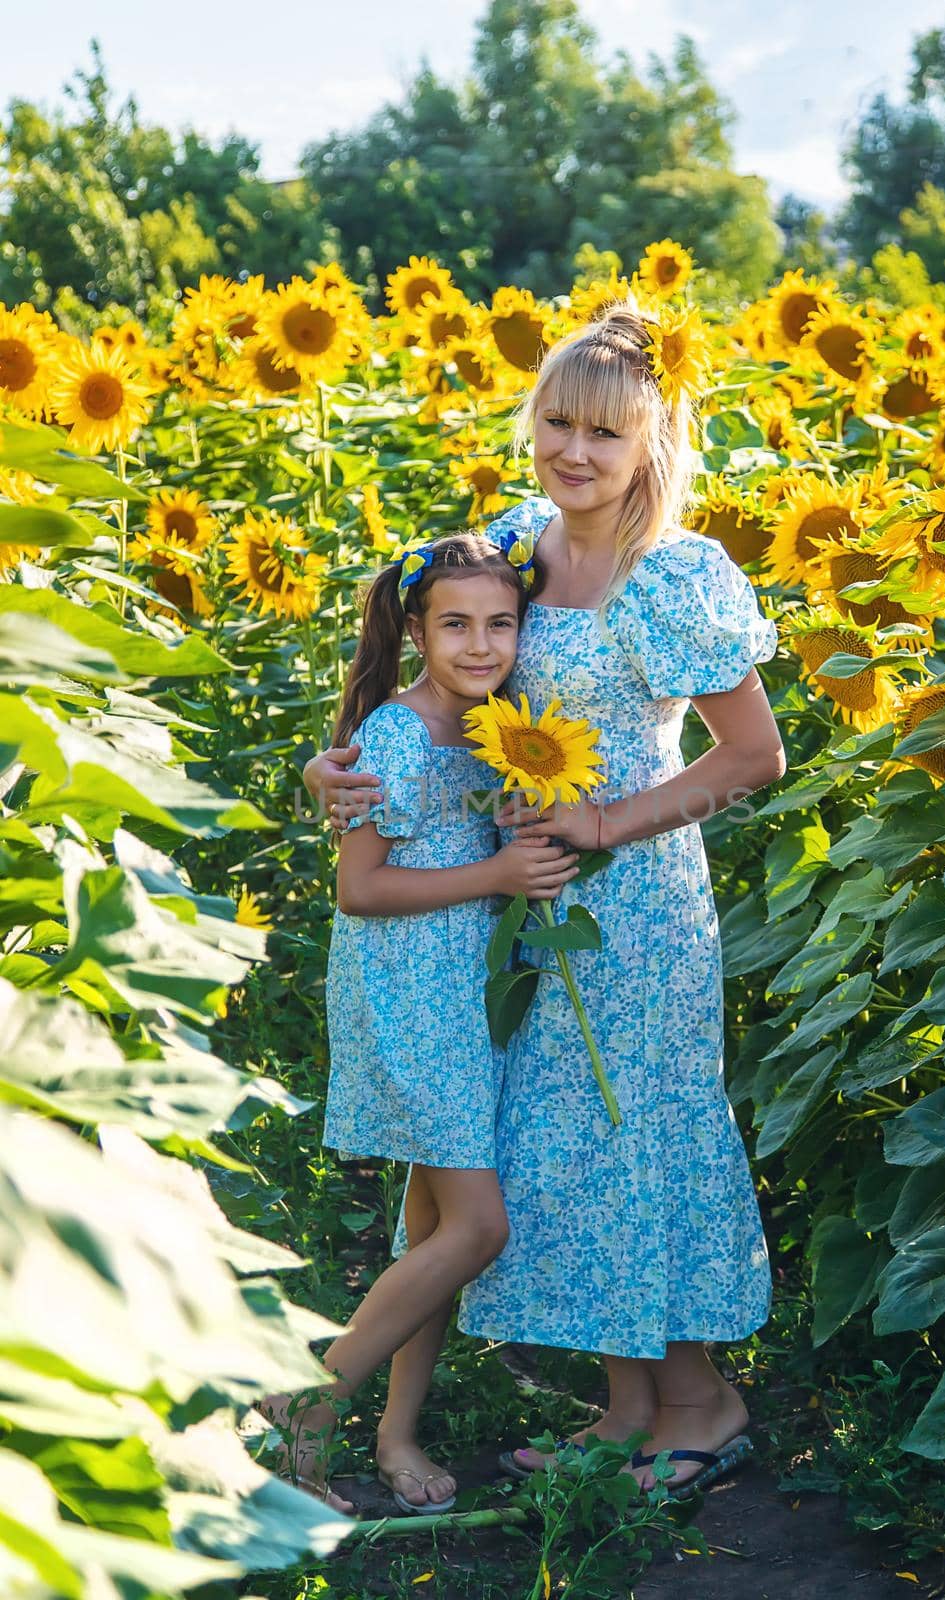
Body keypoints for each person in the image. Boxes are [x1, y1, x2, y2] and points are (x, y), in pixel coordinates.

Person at [303, 302, 786, 1501]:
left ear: (652, 445)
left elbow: (750, 757)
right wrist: (339, 766)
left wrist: (605, 822)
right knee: (571, 1145)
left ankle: (700, 1402)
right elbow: (427, 657)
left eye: (605, 435)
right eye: (557, 423)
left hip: (638, 903)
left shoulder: (669, 574)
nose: (575, 453)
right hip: (531, 901)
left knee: (646, 1131)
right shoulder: (520, 544)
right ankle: (626, 1410)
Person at [266, 532, 578, 1514]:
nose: (481, 645)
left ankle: (396, 1437)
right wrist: (497, 872)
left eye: (500, 623)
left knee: (432, 1222)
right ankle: (308, 1403)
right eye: (455, 624)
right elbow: (360, 888)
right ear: (414, 629)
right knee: (477, 1225)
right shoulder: (400, 734)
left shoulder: (486, 724)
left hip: (462, 991)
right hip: (408, 995)